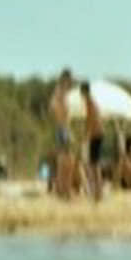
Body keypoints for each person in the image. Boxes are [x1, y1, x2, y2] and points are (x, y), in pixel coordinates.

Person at [48, 69, 75, 198]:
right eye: (70, 79)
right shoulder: (60, 91)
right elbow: (53, 107)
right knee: (65, 159)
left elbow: (53, 107)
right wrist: (63, 120)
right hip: (63, 128)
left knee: (64, 158)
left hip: (63, 128)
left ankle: (62, 188)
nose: (71, 82)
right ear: (66, 79)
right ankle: (63, 189)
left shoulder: (61, 91)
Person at [79, 80, 104, 201]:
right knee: (94, 164)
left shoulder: (89, 103)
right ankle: (98, 192)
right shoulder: (93, 102)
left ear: (84, 92)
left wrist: (85, 135)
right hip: (97, 135)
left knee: (94, 164)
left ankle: (98, 193)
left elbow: (90, 120)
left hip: (96, 135)